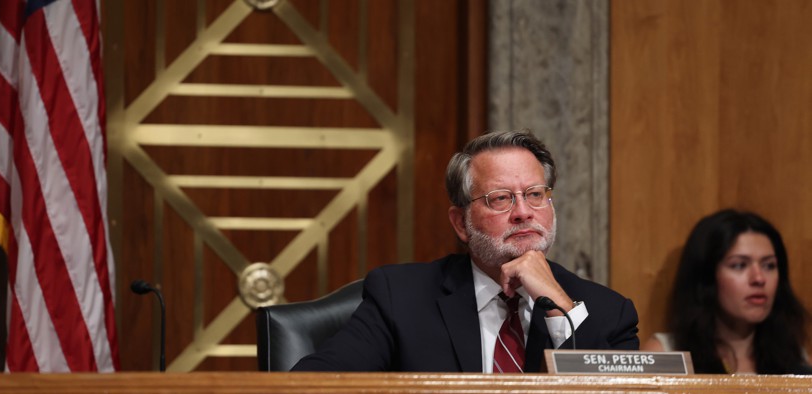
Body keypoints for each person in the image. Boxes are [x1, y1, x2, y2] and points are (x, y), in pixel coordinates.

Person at [291, 130, 639, 373]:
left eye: (535, 194)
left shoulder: (609, 314)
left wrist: (559, 308)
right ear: (461, 223)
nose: (523, 211)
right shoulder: (401, 299)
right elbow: (314, 384)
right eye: (500, 198)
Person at [641, 209, 811, 374]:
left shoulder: (796, 361)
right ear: (706, 276)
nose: (759, 278)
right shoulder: (665, 354)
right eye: (739, 265)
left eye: (769, 265)